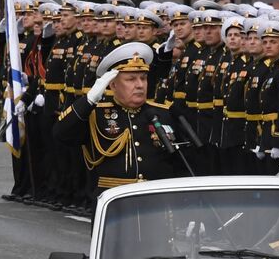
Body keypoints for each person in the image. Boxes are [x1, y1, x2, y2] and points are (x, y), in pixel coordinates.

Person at [53, 41, 183, 196]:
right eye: (131, 79)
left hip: (156, 199)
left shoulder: (164, 114)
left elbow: (183, 160)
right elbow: (61, 134)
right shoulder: (97, 114)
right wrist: (88, 101)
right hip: (115, 200)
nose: (140, 85)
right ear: (113, 85)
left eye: (143, 78)